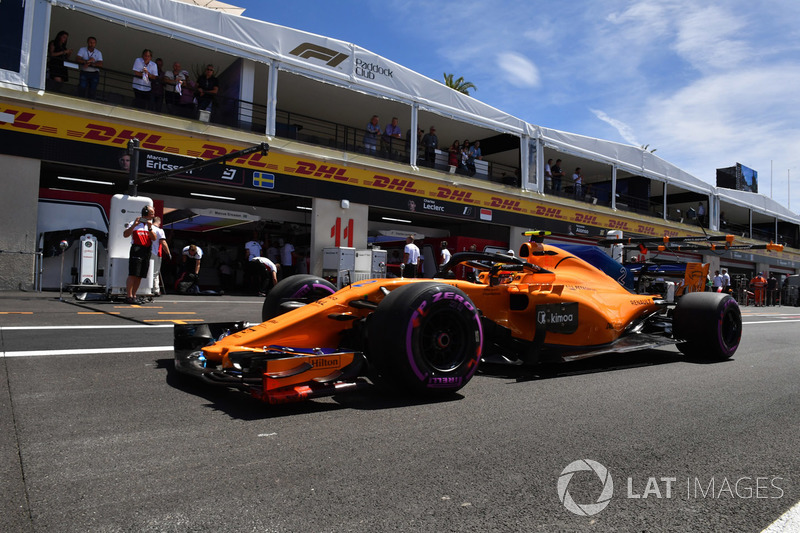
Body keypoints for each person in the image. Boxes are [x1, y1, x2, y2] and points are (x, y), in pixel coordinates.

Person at [122, 205, 156, 304]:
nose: (153, 215)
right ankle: (129, 296)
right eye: (152, 213)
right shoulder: (134, 223)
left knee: (140, 275)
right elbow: (125, 235)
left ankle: (134, 295)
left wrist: (150, 228)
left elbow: (154, 238)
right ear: (146, 213)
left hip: (146, 250)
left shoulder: (151, 225)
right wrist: (134, 225)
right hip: (136, 249)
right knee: (133, 274)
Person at [150, 216, 171, 296]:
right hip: (156, 253)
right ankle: (155, 289)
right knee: (155, 272)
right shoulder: (160, 230)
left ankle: (147, 288)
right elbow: (163, 243)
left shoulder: (147, 227)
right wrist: (168, 253)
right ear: (159, 223)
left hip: (146, 252)